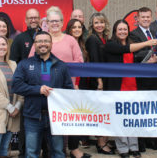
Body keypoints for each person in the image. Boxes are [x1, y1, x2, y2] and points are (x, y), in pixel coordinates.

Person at [12, 31, 74, 158]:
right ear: (34, 44)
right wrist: (38, 90)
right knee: (31, 153)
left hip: (55, 117)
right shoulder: (25, 64)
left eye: (46, 41)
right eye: (39, 41)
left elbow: (69, 89)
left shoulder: (61, 65)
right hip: (33, 117)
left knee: (58, 152)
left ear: (51, 44)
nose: (43, 44)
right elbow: (16, 86)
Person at [104, 19, 157, 158]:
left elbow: (137, 64)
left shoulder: (131, 45)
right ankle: (122, 149)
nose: (123, 32)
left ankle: (134, 147)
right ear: (115, 32)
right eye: (120, 29)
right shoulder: (111, 45)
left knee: (132, 119)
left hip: (133, 87)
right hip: (117, 88)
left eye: (125, 29)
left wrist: (149, 62)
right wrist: (147, 43)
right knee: (119, 119)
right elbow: (125, 49)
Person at [129, 7, 157, 151]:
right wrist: (150, 58)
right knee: (142, 111)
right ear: (137, 19)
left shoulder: (155, 32)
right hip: (141, 79)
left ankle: (153, 140)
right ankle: (141, 142)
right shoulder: (133, 34)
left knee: (154, 111)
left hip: (155, 78)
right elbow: (136, 54)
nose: (146, 19)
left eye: (148, 17)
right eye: (143, 17)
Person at [9, 8, 42, 158]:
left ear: (40, 19)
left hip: (46, 86)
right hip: (28, 89)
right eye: (30, 18)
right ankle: (24, 153)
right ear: (26, 20)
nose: (33, 20)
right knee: (26, 124)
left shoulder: (45, 36)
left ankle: (46, 152)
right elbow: (13, 62)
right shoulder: (20, 39)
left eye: (36, 17)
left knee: (45, 122)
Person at [28, 6, 83, 83]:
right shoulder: (39, 39)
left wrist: (60, 66)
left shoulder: (71, 40)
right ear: (47, 23)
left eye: (57, 21)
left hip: (66, 86)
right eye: (52, 21)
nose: (54, 23)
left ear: (62, 22)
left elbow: (80, 62)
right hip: (46, 87)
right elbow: (31, 63)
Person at [85, 12, 114, 155]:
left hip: (107, 78)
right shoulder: (92, 39)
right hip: (98, 81)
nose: (99, 25)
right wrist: (99, 80)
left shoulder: (105, 38)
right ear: (92, 25)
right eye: (96, 23)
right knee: (100, 113)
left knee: (107, 111)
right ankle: (100, 143)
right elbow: (94, 61)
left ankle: (105, 140)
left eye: (101, 22)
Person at [64, 18, 91, 158]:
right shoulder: (65, 42)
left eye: (79, 27)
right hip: (71, 84)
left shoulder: (82, 43)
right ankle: (72, 149)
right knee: (70, 117)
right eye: (74, 27)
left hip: (82, 84)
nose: (77, 29)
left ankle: (74, 147)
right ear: (69, 29)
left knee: (77, 117)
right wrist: (75, 84)